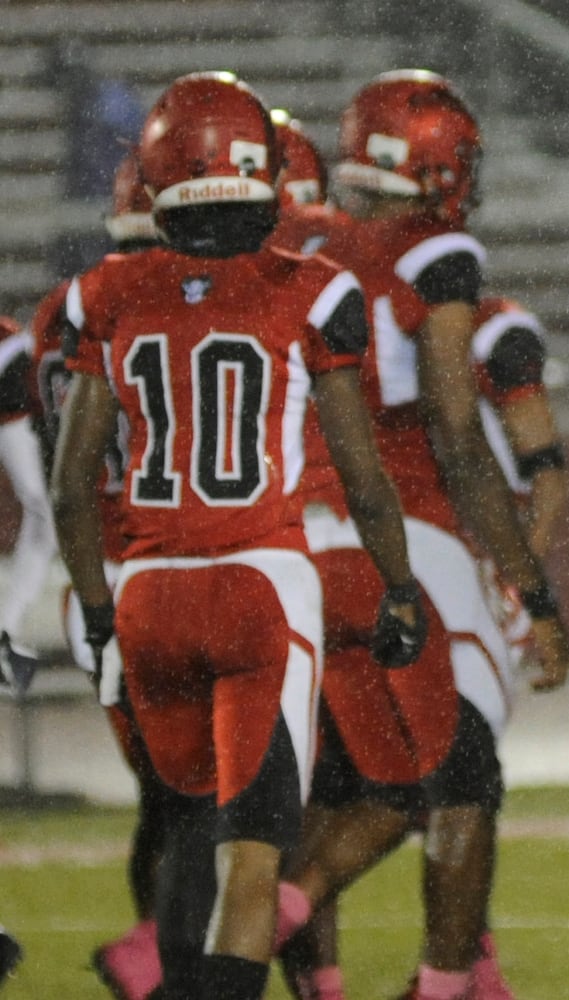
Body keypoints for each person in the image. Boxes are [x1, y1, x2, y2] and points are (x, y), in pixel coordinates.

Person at [50, 71, 425, 1000]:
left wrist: (98, 615)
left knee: (181, 823)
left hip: (146, 591)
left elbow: (71, 484)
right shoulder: (307, 291)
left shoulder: (107, 291)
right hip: (260, 586)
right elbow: (365, 477)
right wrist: (401, 585)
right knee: (255, 855)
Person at [258, 71, 569, 1000]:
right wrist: (531, 588)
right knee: (459, 780)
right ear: (439, 165)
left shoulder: (285, 242)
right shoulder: (429, 256)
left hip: (280, 545)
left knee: (349, 790)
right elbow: (458, 434)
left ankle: (250, 951)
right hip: (402, 537)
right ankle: (443, 985)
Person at [30, 147, 213, 1000]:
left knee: (168, 794)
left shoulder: (60, 311)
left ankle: (160, 952)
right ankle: (171, 962)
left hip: (95, 573)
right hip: (162, 562)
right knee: (208, 800)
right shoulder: (169, 304)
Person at [0, 315, 56, 696]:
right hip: (14, 410)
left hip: (16, 409)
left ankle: (6, 627)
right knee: (43, 521)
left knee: (44, 523)